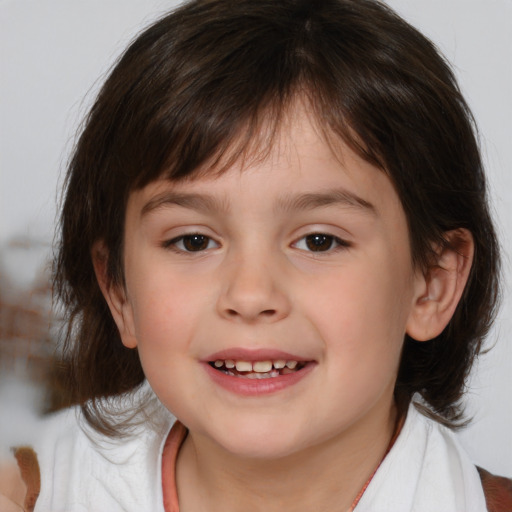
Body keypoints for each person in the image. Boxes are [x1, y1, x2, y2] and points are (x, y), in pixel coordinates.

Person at [1, 0, 511, 510]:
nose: (250, 295)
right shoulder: (30, 492)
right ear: (119, 290)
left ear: (432, 284)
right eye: (193, 241)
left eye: (319, 240)